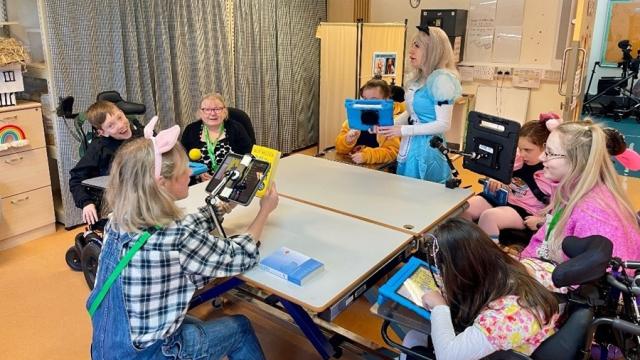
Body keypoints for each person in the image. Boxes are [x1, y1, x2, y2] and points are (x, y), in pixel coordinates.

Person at [87, 116, 279, 359]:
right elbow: (240, 255)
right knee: (240, 327)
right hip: (151, 353)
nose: (191, 171)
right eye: (183, 169)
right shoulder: (178, 235)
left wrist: (224, 205)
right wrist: (264, 211)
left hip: (109, 346)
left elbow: (176, 230)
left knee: (193, 323)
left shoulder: (119, 219)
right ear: (161, 183)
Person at [401, 218, 560, 360]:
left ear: (459, 272)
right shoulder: (525, 266)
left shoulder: (504, 318)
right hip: (526, 340)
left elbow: (447, 356)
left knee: (413, 339)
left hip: (504, 354)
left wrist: (439, 306)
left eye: (443, 271)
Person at [521, 121, 640, 263]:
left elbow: (594, 278)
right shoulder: (569, 192)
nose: (541, 157)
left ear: (578, 160)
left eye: (549, 153)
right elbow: (542, 239)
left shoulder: (595, 215)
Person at [377, 26, 462, 183]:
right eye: (412, 45)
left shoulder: (442, 80)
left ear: (433, 51)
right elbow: (412, 113)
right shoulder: (419, 77)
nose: (411, 51)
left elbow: (443, 124)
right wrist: (390, 126)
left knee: (424, 196)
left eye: (417, 46)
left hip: (429, 149)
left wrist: (403, 130)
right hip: (411, 144)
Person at [461, 113, 561, 240]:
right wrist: (495, 179)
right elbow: (498, 174)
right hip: (503, 199)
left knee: (489, 217)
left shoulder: (552, 172)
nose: (522, 154)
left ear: (544, 147)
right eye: (520, 149)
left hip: (525, 210)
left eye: (528, 150)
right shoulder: (517, 159)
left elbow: (560, 207)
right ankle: (465, 247)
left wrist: (542, 220)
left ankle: (487, 257)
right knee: (463, 208)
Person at [69, 100, 145, 225]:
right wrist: (86, 203)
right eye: (111, 125)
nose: (121, 125)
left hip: (145, 192)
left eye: (120, 117)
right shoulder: (99, 149)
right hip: (116, 200)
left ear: (122, 113)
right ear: (102, 132)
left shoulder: (142, 134)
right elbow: (76, 179)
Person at [181, 93, 255, 182]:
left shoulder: (236, 128)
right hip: (199, 184)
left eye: (217, 109)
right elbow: (182, 159)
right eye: (207, 109)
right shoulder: (191, 130)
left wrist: (229, 174)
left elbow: (248, 156)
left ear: (224, 111)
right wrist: (197, 173)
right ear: (200, 112)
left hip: (230, 182)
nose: (212, 113)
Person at [335, 79, 400, 164]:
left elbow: (393, 152)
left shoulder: (390, 123)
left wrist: (367, 156)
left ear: (386, 99)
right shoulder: (352, 121)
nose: (368, 104)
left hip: (378, 172)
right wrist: (347, 140)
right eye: (365, 99)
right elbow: (339, 148)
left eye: (373, 100)